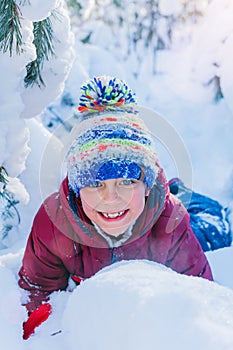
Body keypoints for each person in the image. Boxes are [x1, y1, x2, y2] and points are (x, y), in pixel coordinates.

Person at [18, 76, 213, 340]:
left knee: (212, 231)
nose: (111, 198)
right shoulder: (55, 224)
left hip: (186, 222)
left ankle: (196, 200)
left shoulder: (169, 221)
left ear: (146, 184)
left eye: (126, 180)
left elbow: (202, 301)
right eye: (95, 183)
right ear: (77, 188)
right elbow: (36, 290)